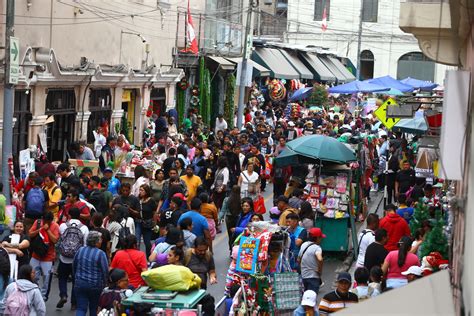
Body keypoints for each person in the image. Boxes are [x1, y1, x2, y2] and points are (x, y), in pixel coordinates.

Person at [57, 207, 89, 309]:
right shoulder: (84, 228)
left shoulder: (63, 226)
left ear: (69, 215)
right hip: (77, 259)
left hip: (63, 258)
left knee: (62, 278)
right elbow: (85, 244)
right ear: (79, 216)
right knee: (76, 281)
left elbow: (60, 239)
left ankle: (63, 295)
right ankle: (74, 303)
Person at [73, 231, 108, 315]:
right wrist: (105, 283)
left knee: (81, 308)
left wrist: (76, 278)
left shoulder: (80, 250)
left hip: (80, 283)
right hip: (95, 285)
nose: (101, 241)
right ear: (96, 242)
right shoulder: (100, 254)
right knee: (94, 308)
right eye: (100, 240)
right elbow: (105, 270)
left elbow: (74, 265)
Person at [28, 211, 59, 301]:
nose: (46, 223)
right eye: (44, 221)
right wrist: (41, 229)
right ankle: (34, 294)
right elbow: (30, 234)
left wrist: (48, 230)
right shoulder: (38, 222)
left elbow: (55, 240)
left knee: (46, 279)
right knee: (33, 276)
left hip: (48, 257)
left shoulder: (55, 226)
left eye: (48, 222)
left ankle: (43, 297)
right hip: (36, 255)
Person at [298, 228, 325, 293]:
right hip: (313, 277)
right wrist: (319, 271)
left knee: (305, 298)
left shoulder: (303, 245)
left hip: (304, 277)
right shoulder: (317, 248)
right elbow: (320, 259)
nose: (321, 239)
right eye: (320, 237)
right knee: (312, 298)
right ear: (317, 238)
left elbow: (298, 259)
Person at [219, 185, 242, 252]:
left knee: (230, 235)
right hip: (238, 219)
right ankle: (236, 248)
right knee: (237, 234)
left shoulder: (226, 199)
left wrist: (219, 219)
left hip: (229, 219)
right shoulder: (241, 200)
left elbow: (223, 211)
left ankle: (231, 249)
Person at [137, 184, 157, 258]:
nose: (140, 192)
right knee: (137, 241)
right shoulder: (138, 200)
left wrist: (154, 223)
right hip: (139, 222)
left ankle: (149, 257)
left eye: (142, 190)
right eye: (140, 190)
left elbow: (154, 212)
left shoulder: (151, 200)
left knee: (147, 242)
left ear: (146, 191)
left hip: (148, 223)